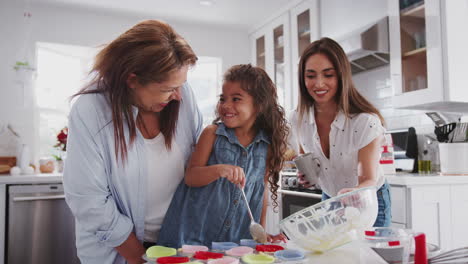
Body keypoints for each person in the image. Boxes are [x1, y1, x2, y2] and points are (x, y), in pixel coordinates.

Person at [63, 20, 202, 264]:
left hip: (177, 245)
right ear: (132, 80)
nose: (178, 96)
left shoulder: (182, 96)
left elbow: (199, 162)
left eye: (180, 86)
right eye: (168, 89)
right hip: (118, 252)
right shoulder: (90, 110)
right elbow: (89, 201)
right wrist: (140, 259)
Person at [157, 64, 289, 247]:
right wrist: (219, 170)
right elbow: (191, 177)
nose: (226, 105)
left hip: (234, 240)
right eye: (223, 98)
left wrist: (260, 234)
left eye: (236, 99)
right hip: (192, 234)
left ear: (259, 105)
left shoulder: (267, 147)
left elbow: (261, 191)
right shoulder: (212, 134)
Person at [288, 37, 391, 227]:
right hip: (331, 197)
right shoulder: (297, 119)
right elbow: (310, 159)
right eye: (311, 76)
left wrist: (353, 194)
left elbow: (368, 178)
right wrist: (308, 175)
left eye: (328, 75)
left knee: (369, 255)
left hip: (368, 198)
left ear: (341, 76)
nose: (318, 84)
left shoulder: (365, 122)